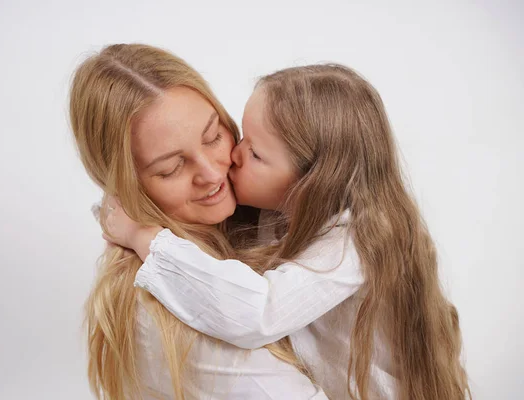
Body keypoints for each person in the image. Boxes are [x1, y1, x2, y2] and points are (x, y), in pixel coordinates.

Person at [103, 64, 470, 399]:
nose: (233, 156)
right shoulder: (278, 210)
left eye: (256, 154)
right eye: (240, 136)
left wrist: (143, 237)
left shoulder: (350, 247)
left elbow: (257, 314)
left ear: (310, 183)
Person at [69, 43, 328, 400]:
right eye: (170, 168)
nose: (211, 173)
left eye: (213, 137)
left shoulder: (257, 219)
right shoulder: (173, 310)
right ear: (127, 187)